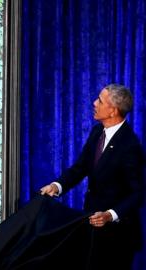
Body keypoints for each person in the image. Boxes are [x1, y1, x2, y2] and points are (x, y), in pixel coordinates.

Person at [40, 84, 144, 269]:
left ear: (113, 110)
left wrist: (110, 215)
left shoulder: (130, 145)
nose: (94, 103)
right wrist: (57, 186)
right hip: (92, 225)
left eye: (100, 100)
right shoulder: (97, 132)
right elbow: (81, 167)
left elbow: (138, 193)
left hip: (118, 235)